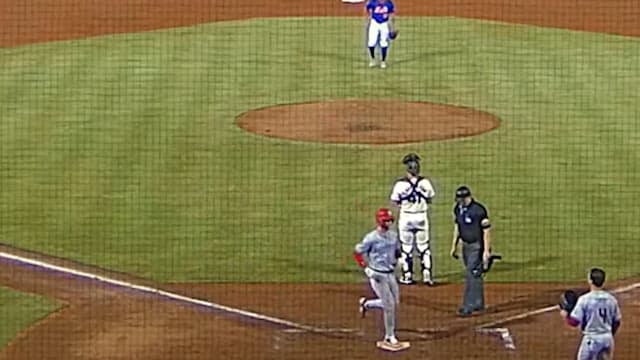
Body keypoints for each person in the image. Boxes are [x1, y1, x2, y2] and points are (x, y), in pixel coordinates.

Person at [354, 208, 410, 351]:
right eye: (386, 220)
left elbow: (397, 251)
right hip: (377, 275)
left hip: (390, 274)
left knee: (394, 303)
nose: (389, 222)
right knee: (389, 306)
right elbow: (358, 252)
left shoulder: (393, 235)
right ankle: (389, 336)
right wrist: (365, 268)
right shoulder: (371, 237)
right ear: (380, 220)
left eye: (390, 220)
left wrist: (400, 259)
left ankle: (366, 304)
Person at [450, 186, 501, 316]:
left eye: (460, 199)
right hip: (465, 246)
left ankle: (468, 306)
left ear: (466, 197)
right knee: (476, 274)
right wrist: (454, 246)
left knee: (470, 274)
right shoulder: (458, 209)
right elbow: (457, 227)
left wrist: (486, 250)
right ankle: (478, 303)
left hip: (476, 246)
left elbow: (486, 230)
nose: (458, 202)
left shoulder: (478, 210)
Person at [389, 153, 436, 286]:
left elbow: (395, 201)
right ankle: (427, 275)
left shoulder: (400, 184)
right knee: (424, 247)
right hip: (421, 216)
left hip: (406, 217)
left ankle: (407, 275)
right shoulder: (425, 182)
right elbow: (430, 198)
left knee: (406, 248)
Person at [561, 268, 621, 360]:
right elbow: (617, 322)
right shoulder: (612, 299)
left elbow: (574, 322)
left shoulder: (584, 299)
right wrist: (608, 334)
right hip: (608, 339)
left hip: (591, 340)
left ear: (590, 281)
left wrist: (565, 316)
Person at [365, 0, 395, 69]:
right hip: (374, 23)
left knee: (384, 43)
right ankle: (372, 59)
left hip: (384, 24)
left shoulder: (389, 3)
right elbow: (368, 10)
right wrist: (369, 18)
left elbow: (392, 15)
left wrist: (392, 28)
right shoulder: (372, 2)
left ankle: (383, 61)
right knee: (371, 43)